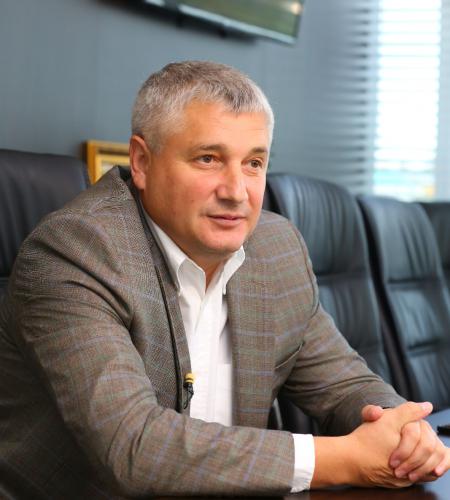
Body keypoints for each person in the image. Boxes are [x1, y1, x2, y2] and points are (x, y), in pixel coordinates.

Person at [0, 61, 448, 499]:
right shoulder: (76, 252)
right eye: (208, 159)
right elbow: (134, 447)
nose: (236, 191)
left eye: (253, 163)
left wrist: (402, 431)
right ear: (141, 161)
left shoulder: (275, 248)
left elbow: (344, 384)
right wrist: (342, 459)